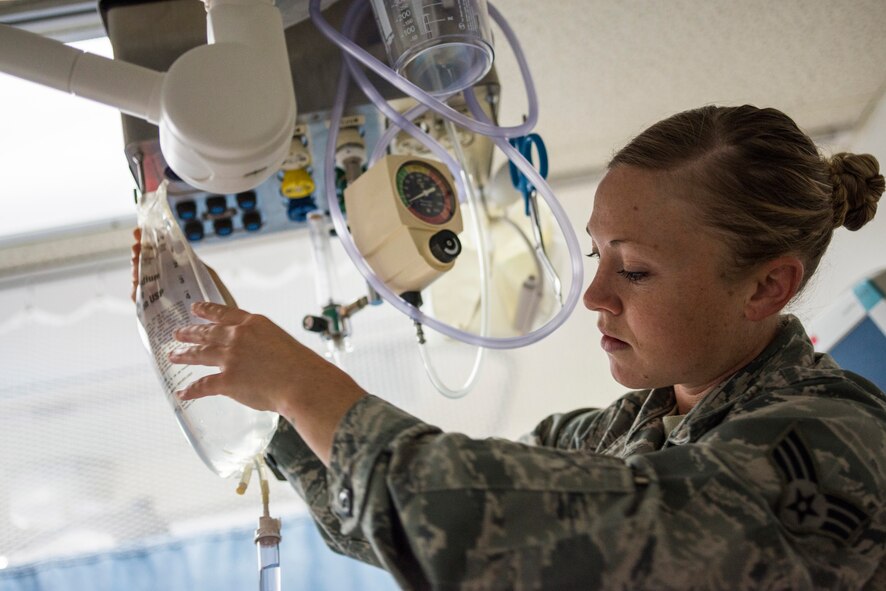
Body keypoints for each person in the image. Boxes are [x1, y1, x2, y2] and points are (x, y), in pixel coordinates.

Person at [133, 105, 886, 589]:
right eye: (596, 256)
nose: (595, 294)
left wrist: (300, 383)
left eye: (634, 270)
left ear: (766, 287)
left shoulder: (836, 446)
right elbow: (406, 520)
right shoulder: (621, 431)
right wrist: (250, 378)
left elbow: (488, 520)